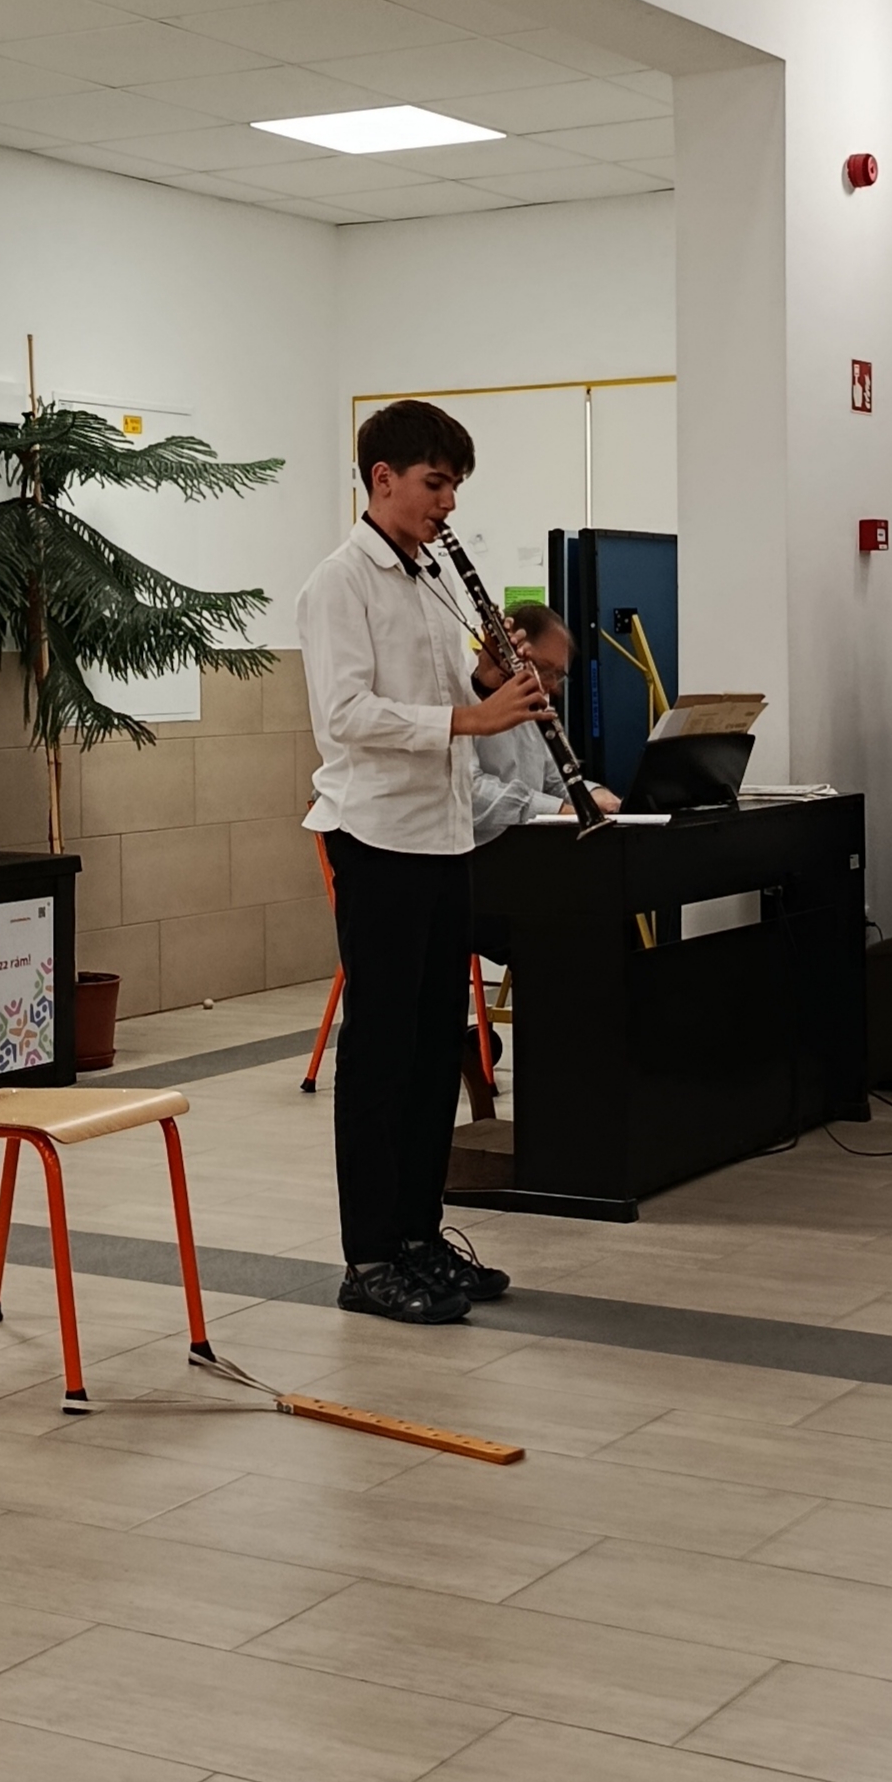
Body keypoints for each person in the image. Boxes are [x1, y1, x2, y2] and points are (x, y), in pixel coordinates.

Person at [297, 398, 550, 1324]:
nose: (448, 504)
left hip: (443, 835)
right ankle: (368, 1258)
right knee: (380, 1055)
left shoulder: (429, 573)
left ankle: (417, 1233)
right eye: (435, 484)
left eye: (453, 487)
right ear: (383, 479)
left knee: (437, 1046)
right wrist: (471, 716)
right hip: (377, 838)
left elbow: (439, 691)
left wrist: (486, 680)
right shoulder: (340, 583)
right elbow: (346, 715)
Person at [472, 601, 621, 842]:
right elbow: (471, 791)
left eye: (559, 675)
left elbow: (555, 782)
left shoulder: (535, 705)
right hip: (472, 852)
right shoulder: (461, 697)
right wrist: (560, 810)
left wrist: (593, 795)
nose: (553, 686)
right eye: (544, 669)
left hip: (525, 846)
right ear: (512, 653)